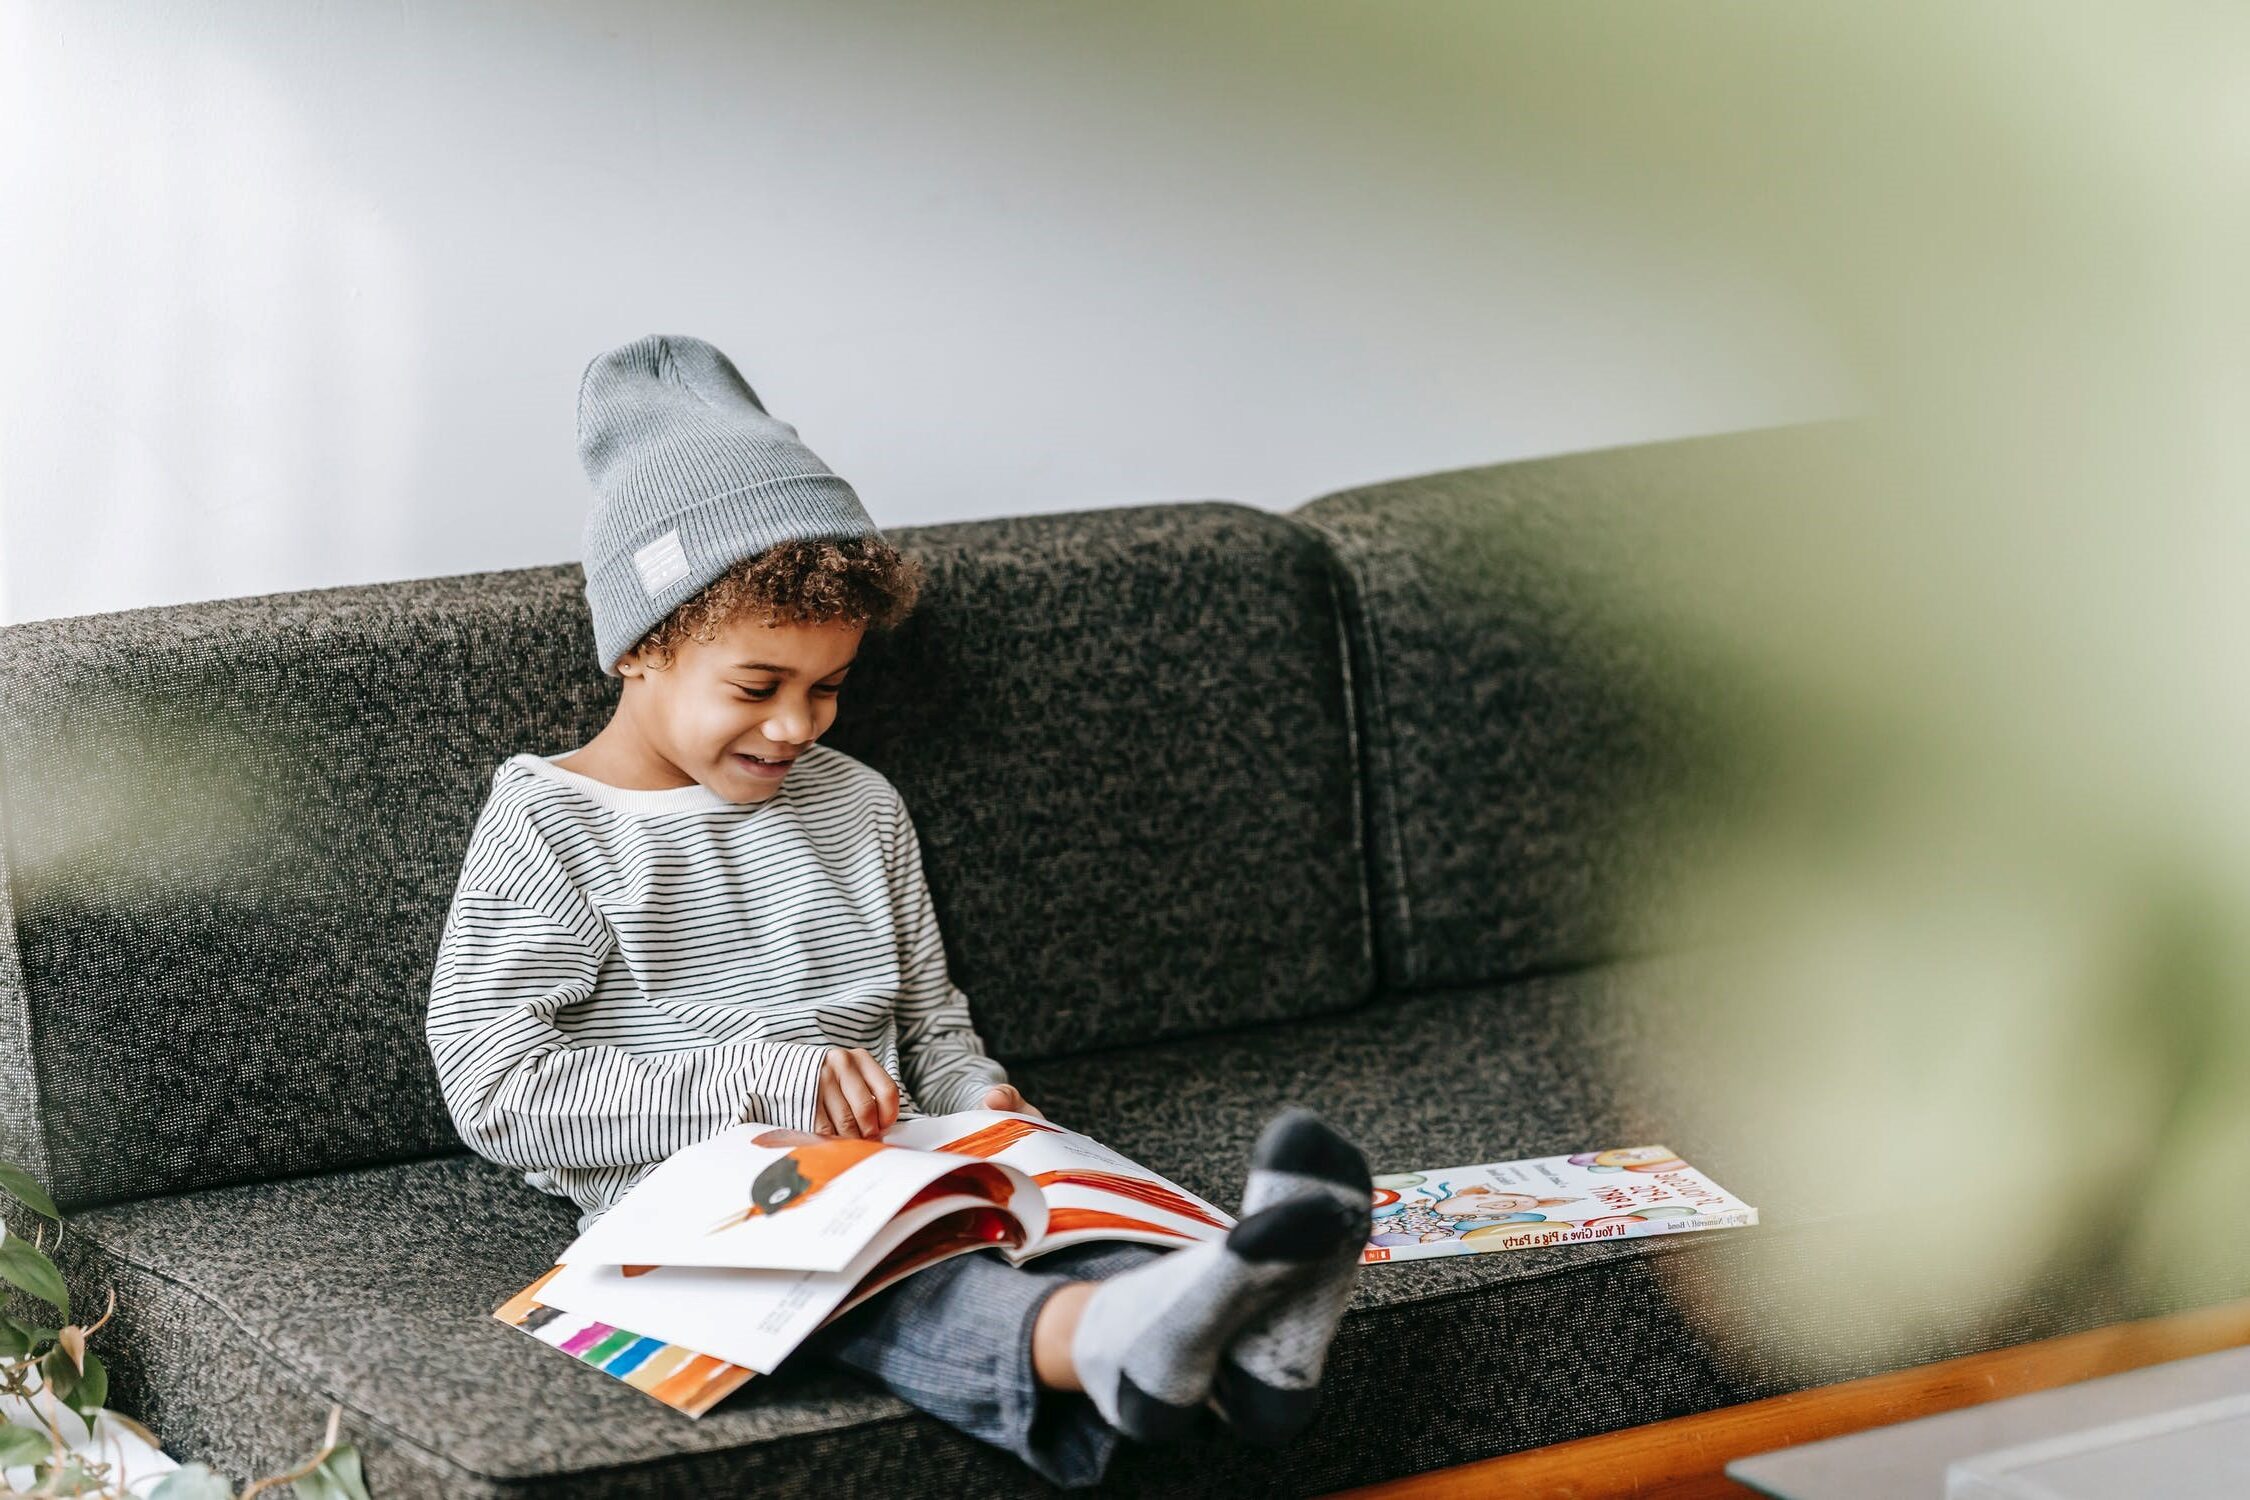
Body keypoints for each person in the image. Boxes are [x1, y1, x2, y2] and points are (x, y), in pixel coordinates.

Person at [425, 333, 1373, 1487]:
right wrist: (768, 1079)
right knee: (890, 1280)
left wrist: (980, 1100)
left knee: (1056, 1202)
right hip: (702, 1202)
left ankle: (1242, 1313)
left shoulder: (859, 806)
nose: (796, 727)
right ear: (641, 650)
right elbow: (495, 1087)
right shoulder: (555, 828)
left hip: (911, 1161)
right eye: (756, 688)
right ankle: (1124, 1345)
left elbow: (929, 1021)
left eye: (828, 687)